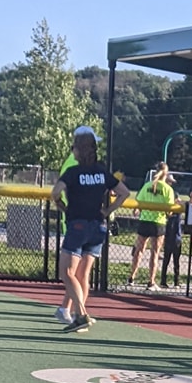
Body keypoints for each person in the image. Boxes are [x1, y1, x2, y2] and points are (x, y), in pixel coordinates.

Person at [47, 126, 129, 331]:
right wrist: (107, 211)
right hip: (97, 227)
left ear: (78, 150)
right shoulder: (101, 171)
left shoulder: (73, 172)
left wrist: (62, 206)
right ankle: (77, 316)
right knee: (83, 275)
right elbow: (124, 192)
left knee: (67, 272)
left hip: (77, 225)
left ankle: (81, 314)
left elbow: (55, 192)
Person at [129, 162, 175, 289]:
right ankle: (151, 281)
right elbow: (169, 211)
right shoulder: (167, 189)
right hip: (158, 223)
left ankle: (132, 277)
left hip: (145, 220)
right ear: (166, 174)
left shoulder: (147, 185)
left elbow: (138, 203)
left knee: (139, 250)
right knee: (154, 252)